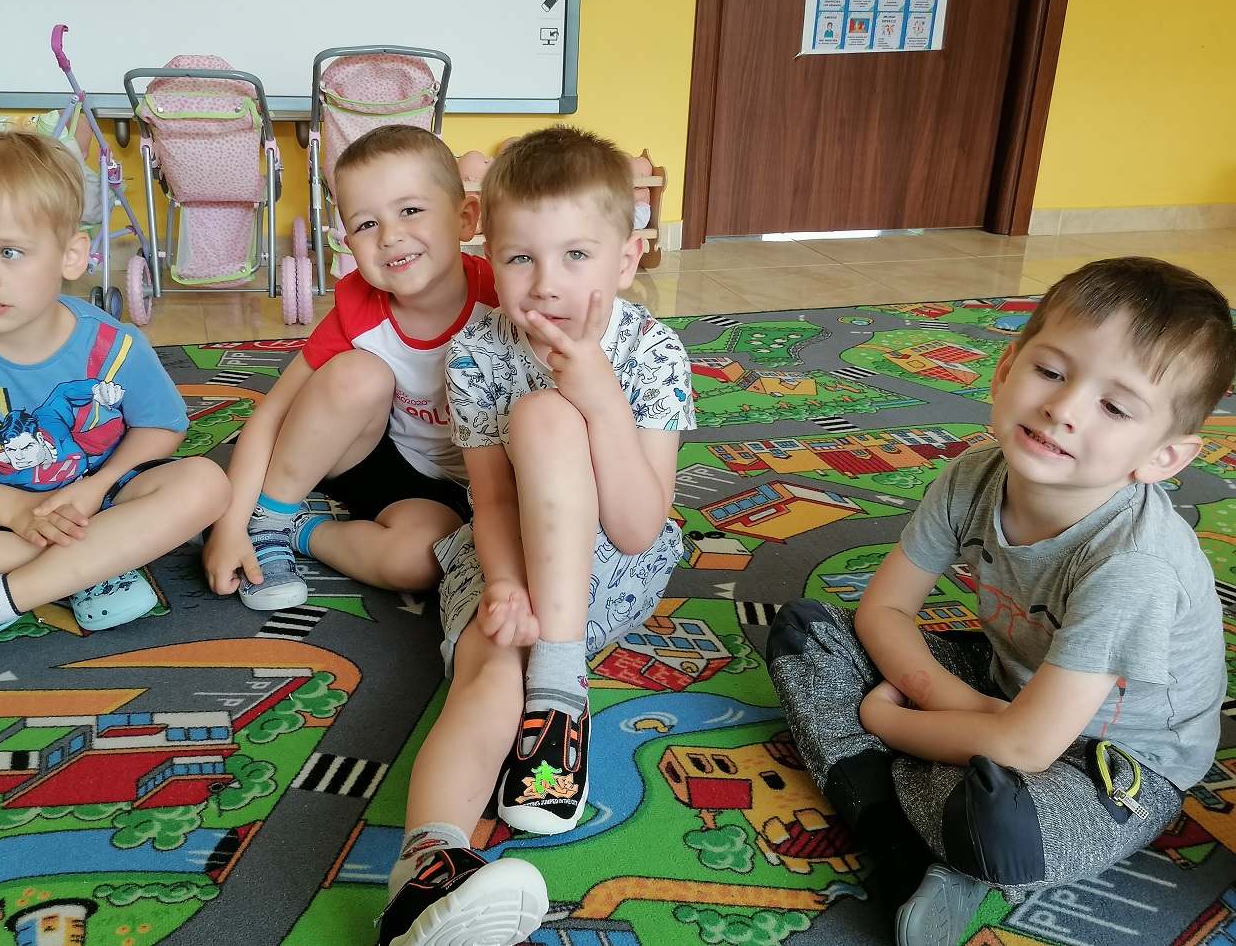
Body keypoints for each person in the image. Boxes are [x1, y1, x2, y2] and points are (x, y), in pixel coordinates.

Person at [766, 256, 1236, 946]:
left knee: (1003, 828)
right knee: (807, 634)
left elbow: (1030, 746)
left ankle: (890, 812)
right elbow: (883, 611)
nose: (1062, 410)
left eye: (1113, 407)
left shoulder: (1134, 566)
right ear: (1006, 368)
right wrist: (961, 705)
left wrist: (887, 720)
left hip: (1113, 761)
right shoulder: (973, 477)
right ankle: (912, 846)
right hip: (1006, 687)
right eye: (1051, 371)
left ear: (1162, 457)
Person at [378, 127, 695, 946]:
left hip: (611, 566)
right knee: (488, 671)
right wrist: (507, 584)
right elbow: (489, 498)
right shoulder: (478, 352)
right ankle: (425, 871)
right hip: (509, 549)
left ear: (627, 259)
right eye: (520, 258)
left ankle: (558, 682)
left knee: (549, 414)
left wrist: (599, 393)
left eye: (576, 256)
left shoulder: (653, 351)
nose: (547, 284)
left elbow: (637, 527)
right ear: (489, 255)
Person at [0, 127, 229, 671]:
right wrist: (12, 510)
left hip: (89, 506)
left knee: (206, 483)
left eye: (9, 251)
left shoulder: (113, 346)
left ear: (71, 255)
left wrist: (96, 488)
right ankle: (94, 566)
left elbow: (161, 427)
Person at [202, 124, 493, 610]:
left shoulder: (507, 295)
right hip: (385, 460)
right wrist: (230, 527)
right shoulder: (358, 310)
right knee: (357, 374)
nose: (390, 236)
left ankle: (305, 531)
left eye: (410, 210)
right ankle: (269, 522)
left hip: (493, 478)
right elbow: (272, 415)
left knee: (419, 561)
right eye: (366, 224)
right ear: (347, 242)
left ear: (465, 218)